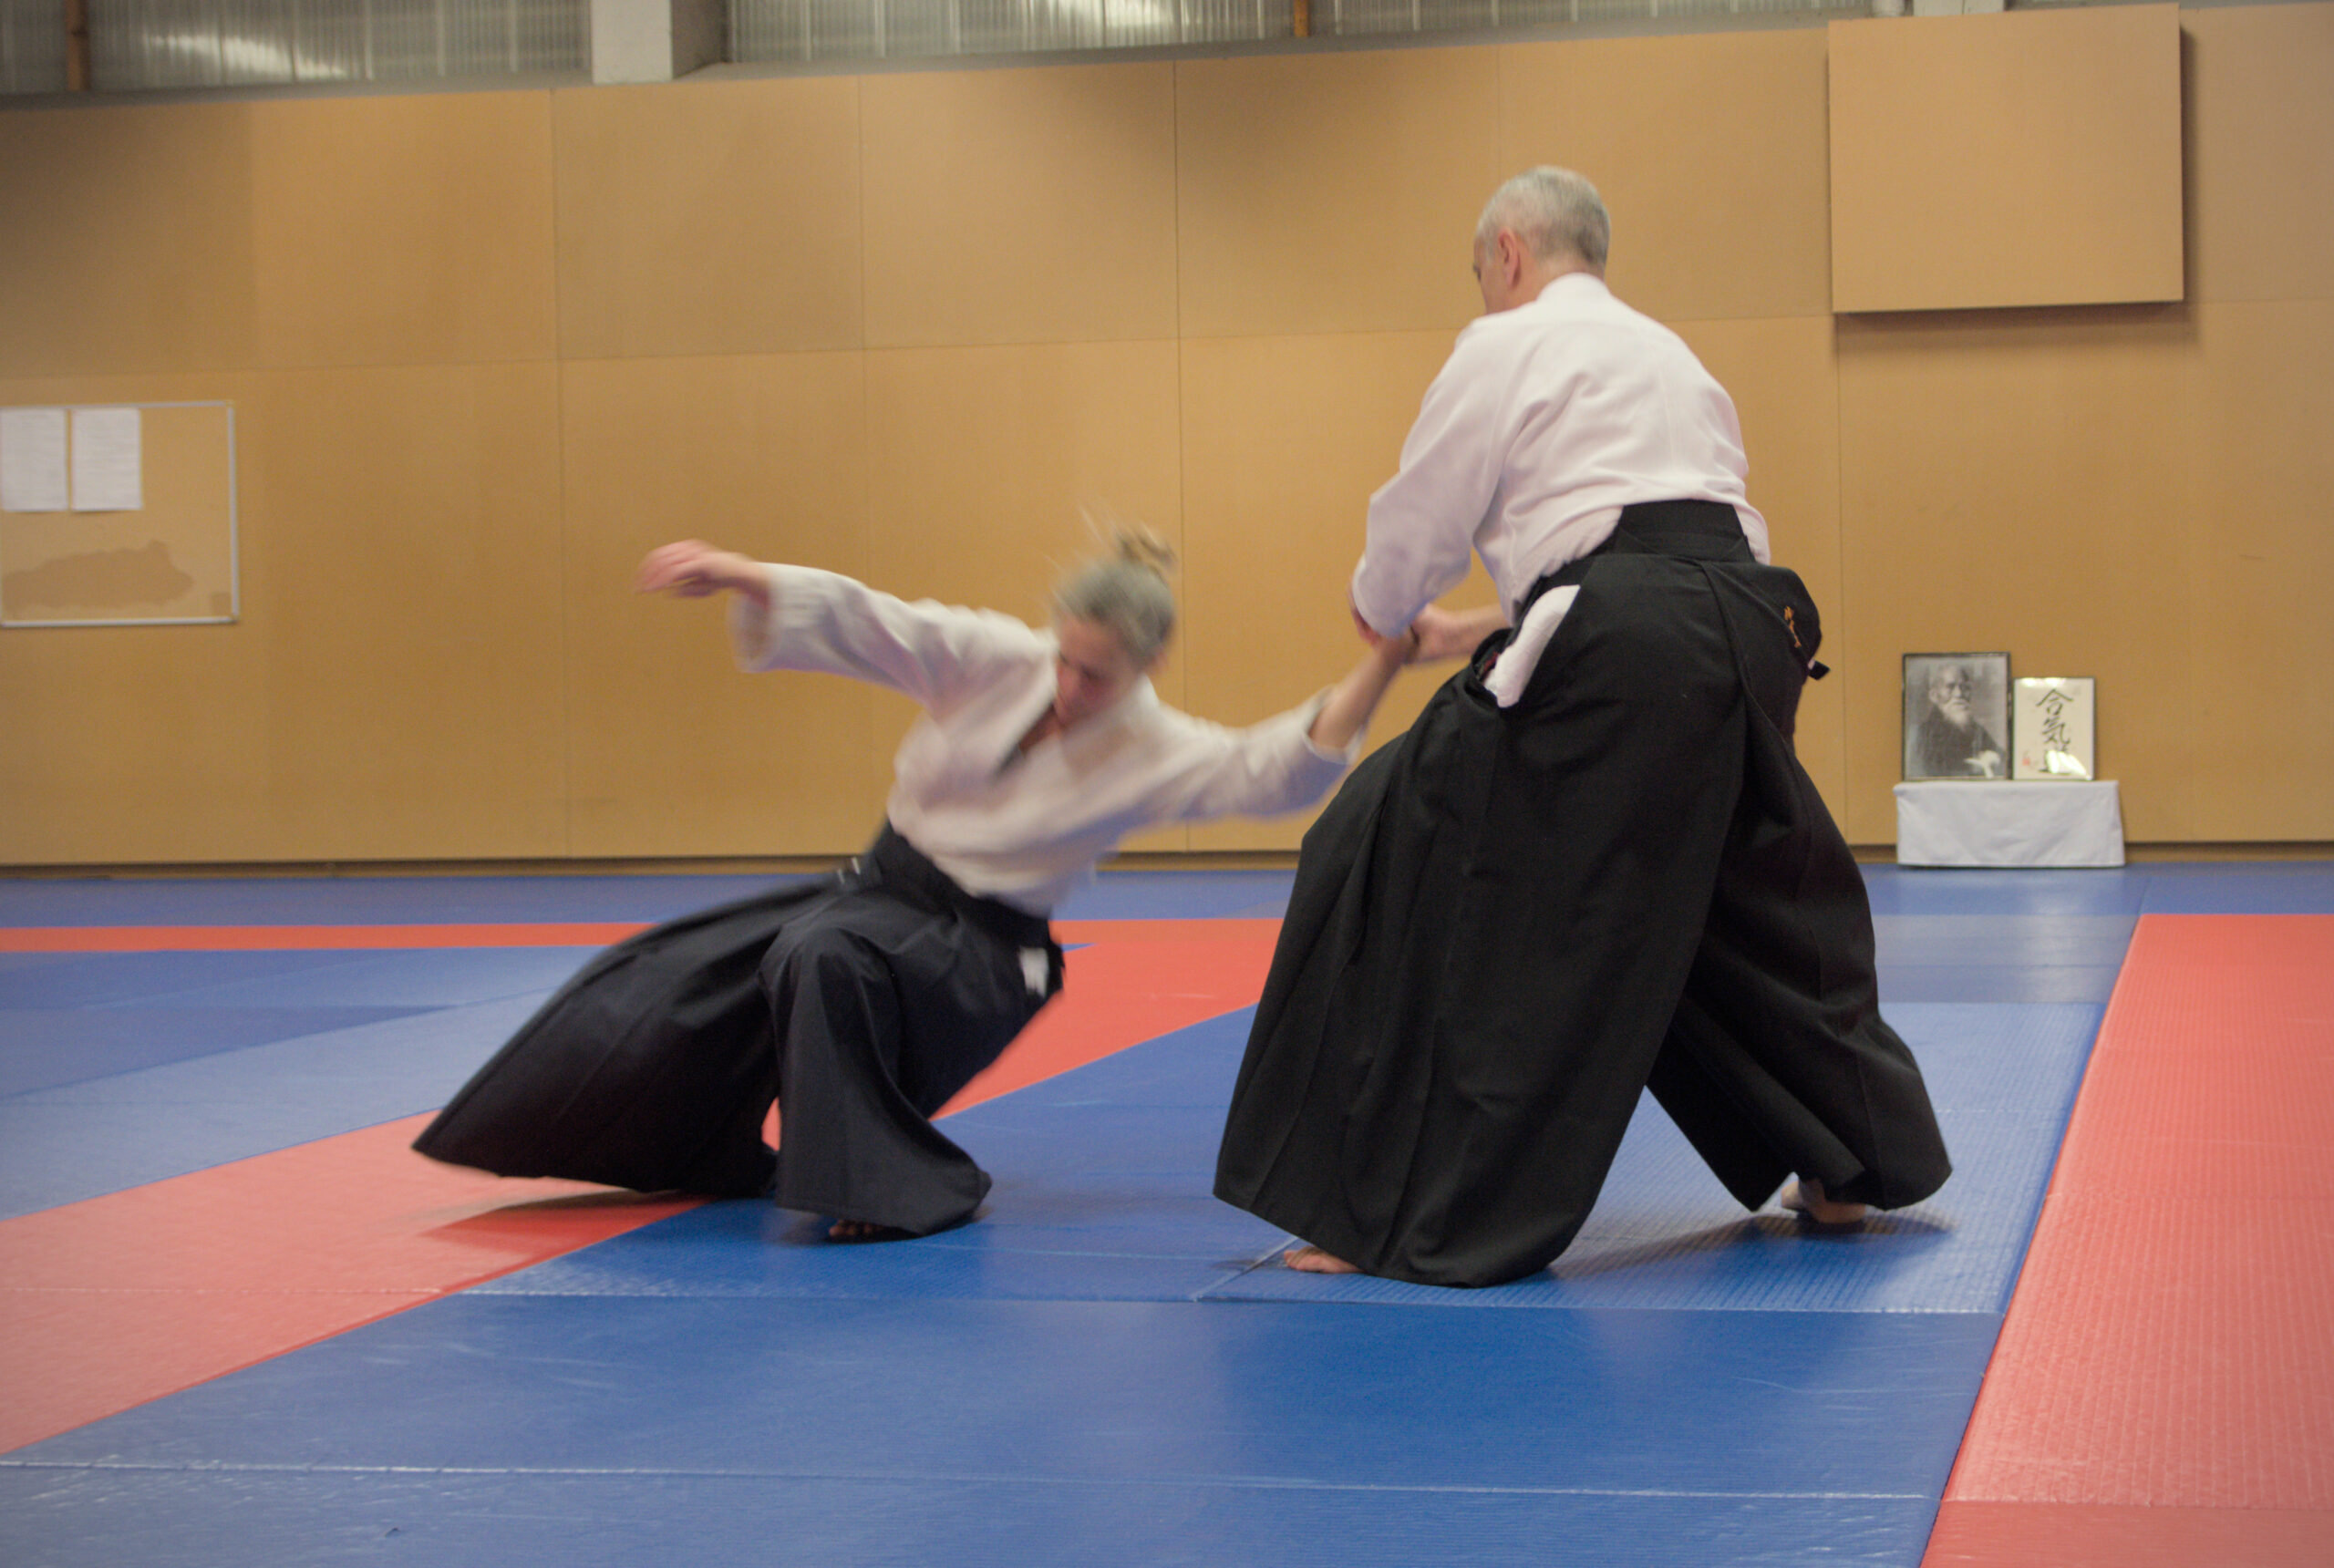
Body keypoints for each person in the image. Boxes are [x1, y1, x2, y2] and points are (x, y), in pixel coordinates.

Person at [1213, 168, 1952, 1288]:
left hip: (1618, 636)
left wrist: (1384, 605)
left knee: (1378, 843)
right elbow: (1654, 543)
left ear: (1507, 252)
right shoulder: (1672, 356)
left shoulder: (1500, 344)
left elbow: (1421, 526)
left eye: (1480, 270)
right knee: (1719, 893)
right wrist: (1481, 626)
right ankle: (1848, 1161)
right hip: (1751, 627)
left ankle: (1383, 1206)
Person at [417, 531, 1412, 1242]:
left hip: (984, 955)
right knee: (670, 981)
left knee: (822, 954)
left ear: (1149, 666)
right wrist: (742, 573)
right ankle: (705, 1151)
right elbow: (875, 622)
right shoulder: (996, 659)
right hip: (879, 892)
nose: (1071, 687)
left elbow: (1272, 769)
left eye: (1099, 677)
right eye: (1066, 660)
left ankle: (893, 1188)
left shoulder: (1158, 747)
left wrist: (1384, 663)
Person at [1911, 662, 2004, 778]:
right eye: (1950, 687)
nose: (1959, 694)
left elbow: (2003, 758)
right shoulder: (1923, 734)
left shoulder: (1975, 729)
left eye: (1964, 687)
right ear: (1934, 695)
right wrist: (1975, 767)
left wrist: (1994, 758)